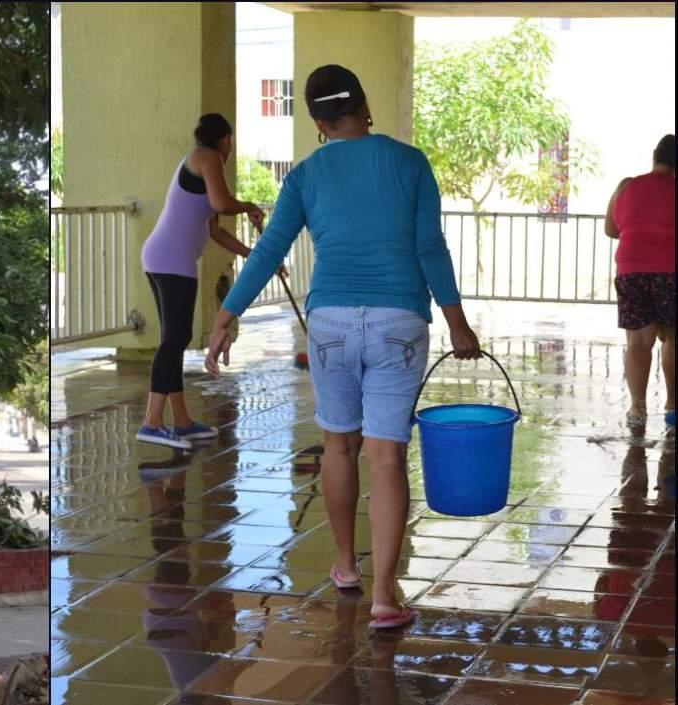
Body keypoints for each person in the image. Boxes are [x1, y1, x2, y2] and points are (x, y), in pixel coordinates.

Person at [204, 65, 482, 630]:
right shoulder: (410, 163)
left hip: (329, 320)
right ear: (363, 104)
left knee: (337, 448)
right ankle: (384, 596)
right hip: (399, 320)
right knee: (385, 457)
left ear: (316, 120)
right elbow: (429, 247)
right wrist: (458, 324)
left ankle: (343, 564)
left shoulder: (305, 175)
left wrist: (226, 314)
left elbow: (268, 250)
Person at [138, 113, 282, 450]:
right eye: (230, 141)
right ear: (224, 139)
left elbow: (214, 228)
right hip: (171, 259)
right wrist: (247, 205)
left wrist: (255, 255)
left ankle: (182, 422)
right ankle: (152, 422)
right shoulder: (207, 156)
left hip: (164, 256)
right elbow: (222, 203)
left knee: (174, 338)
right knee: (175, 339)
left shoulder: (202, 162)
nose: (230, 148)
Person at [604, 134, 676, 428]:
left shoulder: (626, 186)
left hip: (631, 270)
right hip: (671, 269)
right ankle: (673, 404)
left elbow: (611, 229)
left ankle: (638, 408)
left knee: (637, 342)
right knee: (673, 337)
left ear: (655, 158)